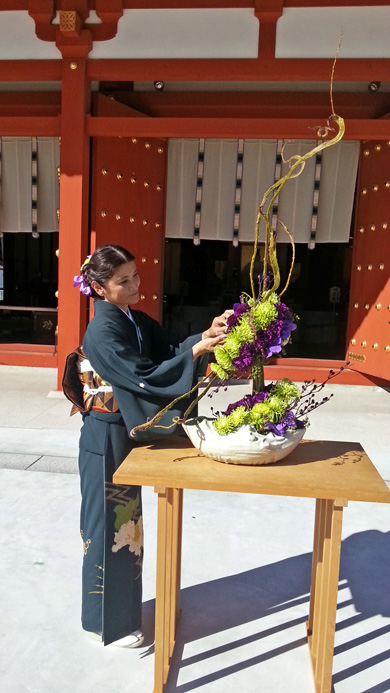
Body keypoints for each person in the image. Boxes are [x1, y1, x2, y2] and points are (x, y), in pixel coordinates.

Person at [68, 244, 229, 648]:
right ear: (99, 288)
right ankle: (107, 623)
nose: (135, 285)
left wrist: (205, 336)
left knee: (128, 523)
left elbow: (169, 347)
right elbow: (143, 376)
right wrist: (195, 352)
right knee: (108, 525)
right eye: (124, 280)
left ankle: (122, 614)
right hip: (105, 436)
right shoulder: (101, 330)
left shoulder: (132, 320)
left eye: (136, 275)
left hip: (123, 433)